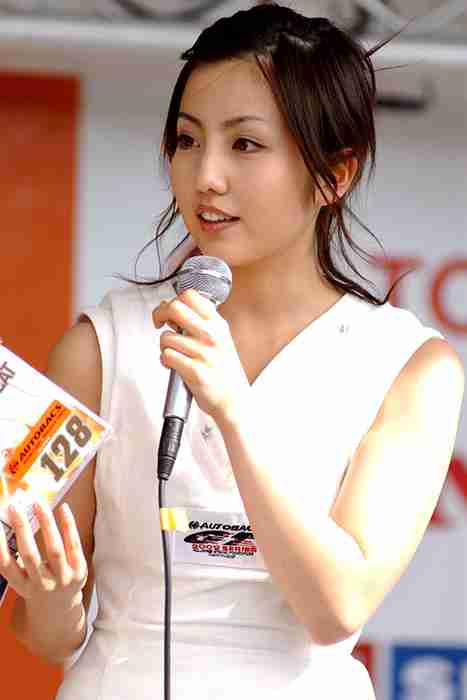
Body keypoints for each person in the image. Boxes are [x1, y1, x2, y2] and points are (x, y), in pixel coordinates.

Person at [1, 3, 464, 699]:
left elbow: (336, 608)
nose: (206, 176)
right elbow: (46, 636)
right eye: (187, 140)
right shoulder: (103, 345)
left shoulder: (410, 366)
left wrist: (236, 412)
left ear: (334, 174)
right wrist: (55, 594)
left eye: (245, 144)